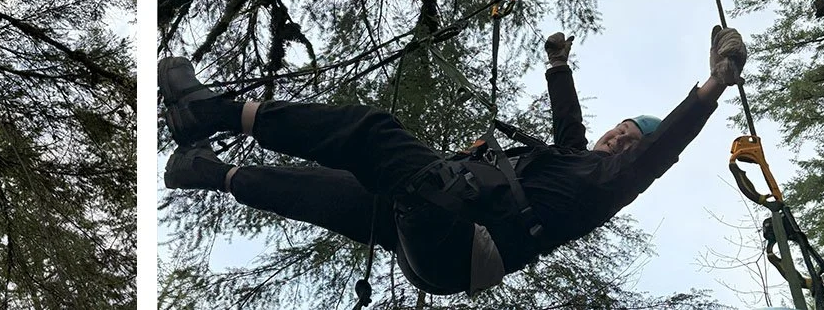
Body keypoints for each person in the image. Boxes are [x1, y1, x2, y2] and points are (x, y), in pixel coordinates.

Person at [160, 26, 747, 295]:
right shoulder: (575, 156)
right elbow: (570, 127)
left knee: (373, 133)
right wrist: (559, 65)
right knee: (319, 190)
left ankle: (208, 111)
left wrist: (713, 86)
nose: (618, 143)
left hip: (463, 240)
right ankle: (208, 172)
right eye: (619, 133)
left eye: (629, 144)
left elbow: (663, 147)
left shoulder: (607, 185)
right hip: (438, 235)